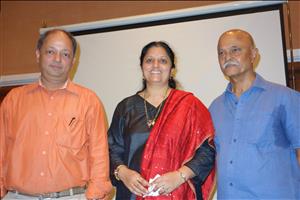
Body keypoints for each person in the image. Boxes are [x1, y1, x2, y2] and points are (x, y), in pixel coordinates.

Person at [0, 29, 112, 200]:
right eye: (51, 52)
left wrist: (94, 195)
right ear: (38, 54)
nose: (57, 59)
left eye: (65, 54)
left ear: (73, 60)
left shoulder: (89, 101)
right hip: (18, 196)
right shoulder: (13, 100)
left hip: (72, 196)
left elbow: (99, 154)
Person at [108, 41, 215, 200]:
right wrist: (123, 172)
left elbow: (208, 151)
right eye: (149, 60)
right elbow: (111, 149)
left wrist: (180, 175)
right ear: (142, 67)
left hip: (177, 193)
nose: (156, 65)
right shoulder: (126, 107)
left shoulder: (190, 106)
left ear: (172, 69)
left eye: (163, 60)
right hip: (132, 194)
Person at [209, 29, 300, 199]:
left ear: (253, 54)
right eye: (221, 52)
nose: (227, 56)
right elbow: (214, 161)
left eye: (235, 49)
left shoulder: (285, 97)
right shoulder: (215, 108)